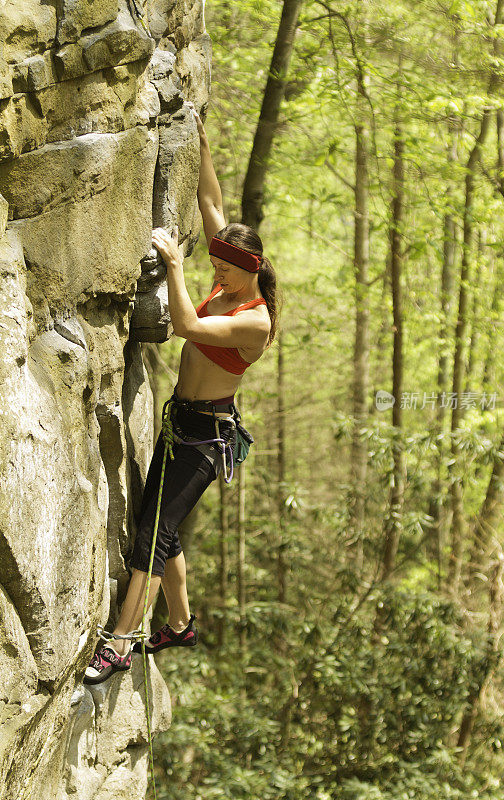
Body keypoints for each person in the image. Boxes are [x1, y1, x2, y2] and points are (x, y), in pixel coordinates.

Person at [84, 106, 278, 684]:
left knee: (152, 535)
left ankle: (120, 643)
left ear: (248, 270)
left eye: (222, 264)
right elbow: (211, 203)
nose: (213, 267)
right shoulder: (231, 273)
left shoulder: (256, 320)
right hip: (180, 424)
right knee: (159, 525)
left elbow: (189, 328)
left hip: (205, 440)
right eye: (211, 260)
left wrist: (174, 265)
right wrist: (200, 144)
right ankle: (180, 622)